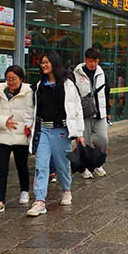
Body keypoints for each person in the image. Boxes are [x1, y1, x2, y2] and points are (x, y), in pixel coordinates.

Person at [27, 52, 84, 217]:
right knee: (41, 165)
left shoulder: (67, 84)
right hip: (44, 129)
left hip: (61, 131)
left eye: (47, 62)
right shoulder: (39, 86)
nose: (44, 65)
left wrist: (79, 133)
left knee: (61, 165)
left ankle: (66, 190)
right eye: (42, 62)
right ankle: (39, 201)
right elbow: (32, 109)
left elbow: (76, 108)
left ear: (54, 63)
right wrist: (27, 126)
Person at [0, 65, 34, 214]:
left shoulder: (29, 92)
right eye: (8, 79)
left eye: (14, 79)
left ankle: (24, 190)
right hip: (2, 134)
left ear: (21, 79)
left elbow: (32, 112)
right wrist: (3, 121)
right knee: (1, 169)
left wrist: (29, 127)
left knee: (22, 166)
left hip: (20, 136)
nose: (11, 82)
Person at [74, 48, 111, 179]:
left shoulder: (101, 73)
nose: (92, 64)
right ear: (85, 60)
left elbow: (106, 92)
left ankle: (98, 164)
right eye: (90, 62)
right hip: (84, 114)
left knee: (102, 139)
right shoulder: (77, 74)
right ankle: (84, 167)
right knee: (84, 141)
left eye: (95, 61)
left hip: (100, 112)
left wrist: (108, 111)